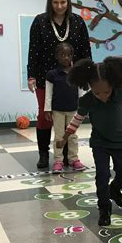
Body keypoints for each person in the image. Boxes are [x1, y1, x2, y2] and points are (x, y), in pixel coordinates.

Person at [55, 57, 122, 226]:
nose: (102, 96)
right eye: (97, 93)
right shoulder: (87, 100)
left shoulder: (119, 92)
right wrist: (64, 138)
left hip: (119, 141)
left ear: (112, 85)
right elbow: (76, 120)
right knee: (102, 175)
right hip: (99, 143)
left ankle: (115, 190)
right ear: (90, 87)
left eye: (106, 92)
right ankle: (104, 208)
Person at [27, 0, 92, 170]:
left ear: (68, 2)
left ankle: (67, 155)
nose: (59, 6)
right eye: (55, 2)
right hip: (45, 77)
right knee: (45, 115)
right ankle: (43, 154)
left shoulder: (78, 22)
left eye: (63, 2)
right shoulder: (40, 21)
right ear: (50, 3)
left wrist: (87, 74)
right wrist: (31, 75)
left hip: (72, 78)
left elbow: (85, 51)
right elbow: (34, 51)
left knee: (69, 116)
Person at [44, 42, 86, 174]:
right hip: (58, 111)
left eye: (68, 55)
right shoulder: (52, 74)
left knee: (73, 135)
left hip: (73, 110)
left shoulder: (76, 73)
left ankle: (74, 159)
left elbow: (81, 91)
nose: (66, 58)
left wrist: (83, 106)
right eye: (62, 55)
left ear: (72, 56)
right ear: (57, 56)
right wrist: (47, 109)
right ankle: (58, 161)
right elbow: (48, 93)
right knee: (59, 136)